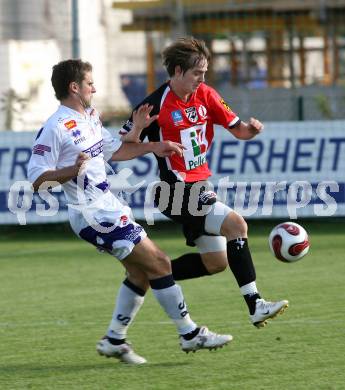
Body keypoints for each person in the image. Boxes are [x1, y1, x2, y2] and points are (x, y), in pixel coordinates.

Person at [27, 59, 232, 365]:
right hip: (92, 214)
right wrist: (72, 169)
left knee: (140, 273)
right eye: (89, 83)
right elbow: (36, 180)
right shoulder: (56, 127)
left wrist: (154, 146)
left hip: (108, 206)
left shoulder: (90, 117)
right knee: (160, 262)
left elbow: (116, 151)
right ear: (74, 87)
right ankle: (189, 334)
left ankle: (114, 339)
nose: (94, 88)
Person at [120, 37, 289, 328]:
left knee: (216, 262)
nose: (202, 79)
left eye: (205, 73)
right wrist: (137, 129)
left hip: (199, 188)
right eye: (197, 73)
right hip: (174, 191)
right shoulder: (153, 104)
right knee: (237, 225)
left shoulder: (207, 95)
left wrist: (252, 129)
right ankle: (256, 304)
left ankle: (151, 273)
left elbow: (240, 131)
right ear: (176, 71)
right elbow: (123, 148)